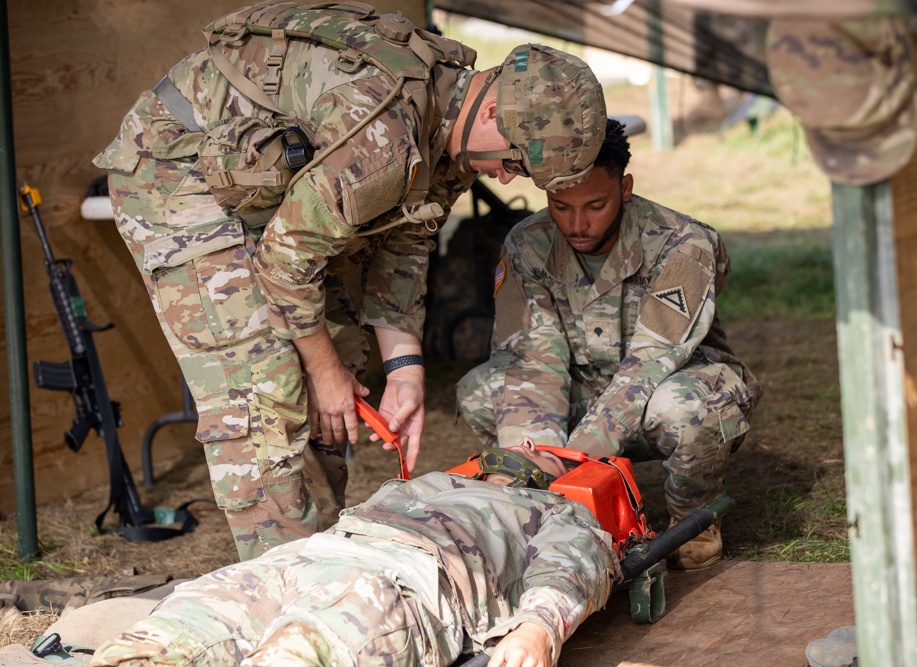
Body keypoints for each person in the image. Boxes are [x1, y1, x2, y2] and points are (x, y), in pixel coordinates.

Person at [92, 2, 606, 560]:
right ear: (492, 116)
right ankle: (284, 588)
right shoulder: (383, 137)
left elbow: (406, 240)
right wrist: (321, 371)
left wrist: (404, 369)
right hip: (177, 171)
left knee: (338, 358)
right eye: (514, 163)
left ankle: (324, 558)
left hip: (268, 190)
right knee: (265, 392)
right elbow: (286, 262)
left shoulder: (452, 128)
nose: (506, 176)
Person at [456, 118, 761, 570]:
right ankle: (540, 510)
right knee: (479, 390)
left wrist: (573, 460)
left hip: (669, 385)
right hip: (582, 393)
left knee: (685, 408)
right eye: (560, 206)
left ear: (626, 188)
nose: (577, 223)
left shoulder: (683, 243)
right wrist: (535, 460)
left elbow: (651, 362)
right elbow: (533, 359)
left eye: (595, 205)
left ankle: (693, 516)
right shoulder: (528, 244)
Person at [87, 440, 618, 667]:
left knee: (297, 653)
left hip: (405, 582)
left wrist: (538, 627)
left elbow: (571, 567)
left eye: (543, 450)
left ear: (560, 474)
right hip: (303, 560)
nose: (526, 445)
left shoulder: (559, 513)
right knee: (162, 638)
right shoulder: (431, 483)